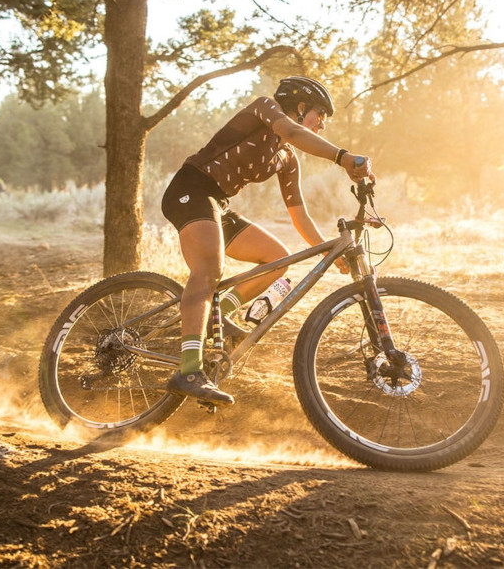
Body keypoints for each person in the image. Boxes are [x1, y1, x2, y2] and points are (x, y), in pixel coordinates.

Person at [160, 76, 374, 406]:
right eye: (320, 116)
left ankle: (221, 315)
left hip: (217, 203)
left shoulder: (287, 159)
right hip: (191, 190)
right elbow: (292, 131)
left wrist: (330, 253)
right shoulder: (264, 108)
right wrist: (343, 157)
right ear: (301, 107)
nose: (321, 126)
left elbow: (299, 215)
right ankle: (189, 370)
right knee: (208, 271)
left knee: (278, 259)